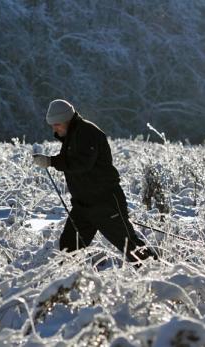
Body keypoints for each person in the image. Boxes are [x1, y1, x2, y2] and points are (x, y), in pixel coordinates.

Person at [32, 99, 156, 264]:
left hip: (105, 202)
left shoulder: (87, 133)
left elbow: (82, 163)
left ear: (67, 119)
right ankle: (69, 285)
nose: (54, 128)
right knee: (69, 249)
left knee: (130, 247)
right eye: (52, 125)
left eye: (57, 124)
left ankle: (158, 274)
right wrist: (49, 160)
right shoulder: (72, 135)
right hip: (82, 206)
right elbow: (71, 159)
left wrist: (51, 162)